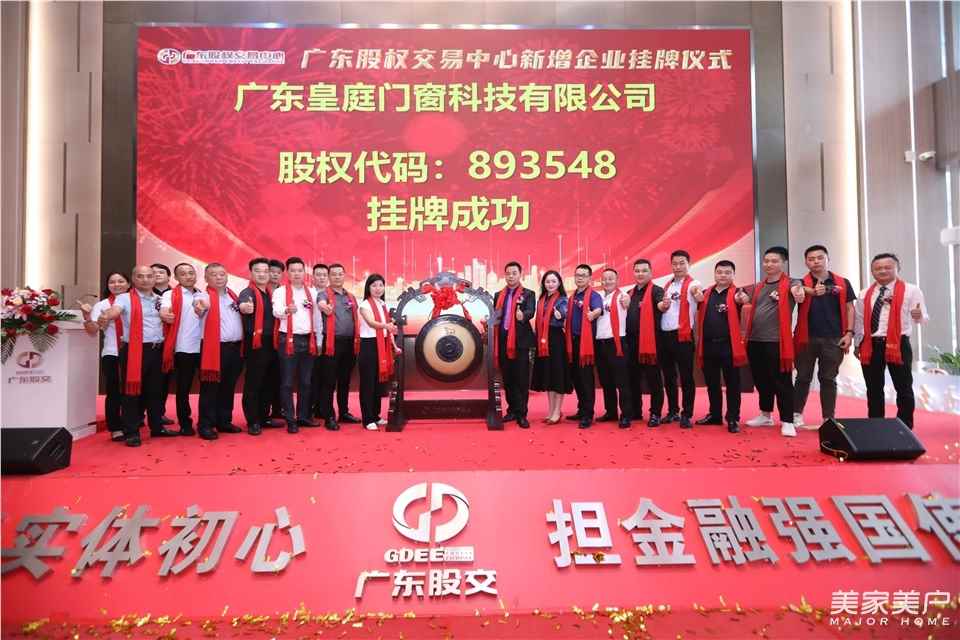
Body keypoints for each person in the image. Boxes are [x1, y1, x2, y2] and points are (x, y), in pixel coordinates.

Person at [96, 265, 179, 446]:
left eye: (149, 276)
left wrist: (170, 318)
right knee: (132, 392)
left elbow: (169, 317)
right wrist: (106, 315)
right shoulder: (124, 298)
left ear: (154, 279)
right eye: (140, 276)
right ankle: (132, 431)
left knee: (156, 391)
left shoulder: (160, 299)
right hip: (135, 350)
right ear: (133, 279)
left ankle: (157, 427)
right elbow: (115, 310)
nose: (145, 280)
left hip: (157, 350)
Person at [735, 246, 805, 437]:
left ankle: (788, 420)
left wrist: (798, 292)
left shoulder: (791, 282)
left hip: (777, 341)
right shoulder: (759, 286)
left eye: (774, 261)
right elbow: (743, 296)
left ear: (783, 263)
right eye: (766, 261)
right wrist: (740, 297)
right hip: (754, 340)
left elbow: (798, 290)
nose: (769, 264)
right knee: (761, 379)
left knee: (782, 382)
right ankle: (765, 414)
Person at [854, 253, 928, 430]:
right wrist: (857, 344)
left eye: (887, 267)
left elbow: (923, 317)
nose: (882, 271)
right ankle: (876, 426)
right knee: (873, 388)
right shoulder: (864, 293)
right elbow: (858, 321)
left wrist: (918, 315)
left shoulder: (911, 290)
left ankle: (904, 427)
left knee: (903, 387)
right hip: (871, 344)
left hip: (898, 343)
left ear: (897, 268)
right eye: (878, 268)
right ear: (872, 271)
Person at [793, 245, 857, 429]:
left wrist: (849, 333)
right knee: (802, 378)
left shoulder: (843, 282)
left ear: (828, 259)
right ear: (806, 262)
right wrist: (809, 290)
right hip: (806, 338)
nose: (815, 262)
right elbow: (795, 290)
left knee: (828, 379)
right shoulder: (800, 283)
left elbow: (849, 308)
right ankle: (796, 414)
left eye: (820, 258)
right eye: (811, 259)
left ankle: (828, 418)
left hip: (834, 338)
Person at [694, 260, 746, 433]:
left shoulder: (737, 293)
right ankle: (715, 415)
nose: (723, 275)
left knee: (733, 384)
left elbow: (743, 299)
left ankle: (733, 418)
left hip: (729, 346)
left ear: (733, 275)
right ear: (715, 274)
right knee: (712, 383)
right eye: (720, 272)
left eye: (727, 272)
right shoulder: (706, 293)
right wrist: (696, 298)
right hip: (708, 346)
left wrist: (740, 300)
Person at [194, 263, 244, 440]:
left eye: (222, 274)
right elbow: (199, 305)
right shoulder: (203, 296)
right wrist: (200, 307)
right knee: (210, 388)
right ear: (206, 278)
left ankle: (224, 421)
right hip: (214, 349)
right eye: (214, 274)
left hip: (235, 348)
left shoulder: (233, 296)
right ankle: (205, 425)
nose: (219, 277)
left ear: (227, 276)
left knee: (228, 386)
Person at [272, 257, 321, 433]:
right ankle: (290, 419)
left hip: (308, 340)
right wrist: (286, 310)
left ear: (304, 272)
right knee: (287, 382)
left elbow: (317, 318)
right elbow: (276, 311)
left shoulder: (312, 293)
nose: (297, 274)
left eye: (300, 270)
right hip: (288, 340)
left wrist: (319, 340)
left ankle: (303, 416)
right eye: (293, 270)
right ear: (288, 273)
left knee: (306, 382)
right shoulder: (280, 292)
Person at [80, 272, 130, 442]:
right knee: (114, 391)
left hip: (135, 352)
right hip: (112, 352)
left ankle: (132, 421)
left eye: (121, 281)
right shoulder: (102, 305)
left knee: (134, 390)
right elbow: (92, 330)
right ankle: (115, 427)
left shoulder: (136, 302)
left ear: (128, 284)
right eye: (112, 282)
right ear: (107, 286)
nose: (116, 285)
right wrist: (87, 317)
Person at [657, 250, 703, 428]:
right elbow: (663, 308)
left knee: (686, 377)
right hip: (665, 335)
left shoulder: (693, 283)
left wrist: (697, 295)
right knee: (669, 376)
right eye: (675, 263)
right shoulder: (667, 285)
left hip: (683, 336)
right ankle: (673, 411)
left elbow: (697, 293)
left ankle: (687, 414)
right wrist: (662, 306)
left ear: (688, 264)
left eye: (682, 263)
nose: (678, 267)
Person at [158, 263, 204, 436]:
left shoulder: (202, 294)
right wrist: (165, 315)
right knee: (183, 388)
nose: (188, 276)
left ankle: (207, 421)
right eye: (183, 274)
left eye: (191, 273)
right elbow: (164, 310)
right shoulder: (170, 295)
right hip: (184, 347)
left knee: (209, 387)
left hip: (205, 346)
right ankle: (185, 423)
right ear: (176, 278)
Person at [493, 261, 537, 428]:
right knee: (508, 379)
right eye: (508, 273)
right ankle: (511, 410)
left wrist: (523, 315)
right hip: (503, 342)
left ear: (520, 275)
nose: (511, 276)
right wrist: (488, 322)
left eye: (514, 273)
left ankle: (522, 414)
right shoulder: (498, 295)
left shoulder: (529, 294)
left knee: (521, 379)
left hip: (520, 343)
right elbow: (496, 315)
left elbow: (530, 311)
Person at [317, 263, 361, 430]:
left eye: (340, 274)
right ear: (329, 277)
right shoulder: (324, 294)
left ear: (344, 276)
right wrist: (324, 307)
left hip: (350, 343)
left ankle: (344, 412)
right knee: (329, 381)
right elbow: (321, 303)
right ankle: (329, 416)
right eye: (334, 274)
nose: (337, 277)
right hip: (332, 343)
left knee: (345, 380)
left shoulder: (351, 297)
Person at [239, 257, 279, 435]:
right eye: (257, 271)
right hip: (256, 343)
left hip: (272, 343)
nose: (262, 274)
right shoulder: (248, 292)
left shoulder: (271, 293)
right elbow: (243, 305)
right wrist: (245, 307)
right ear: (251, 273)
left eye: (265, 271)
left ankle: (264, 416)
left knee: (269, 381)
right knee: (254, 383)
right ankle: (253, 420)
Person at [625, 259, 665, 427]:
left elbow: (661, 305)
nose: (640, 274)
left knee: (653, 380)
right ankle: (636, 410)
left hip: (651, 344)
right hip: (631, 343)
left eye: (644, 271)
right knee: (633, 378)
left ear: (650, 272)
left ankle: (655, 413)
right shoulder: (629, 293)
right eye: (637, 271)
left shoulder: (657, 291)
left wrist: (664, 305)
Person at [357, 273, 399, 431]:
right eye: (374, 285)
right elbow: (371, 323)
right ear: (368, 288)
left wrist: (394, 344)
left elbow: (387, 329)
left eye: (381, 285)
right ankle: (367, 419)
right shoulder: (365, 305)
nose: (378, 288)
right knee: (368, 383)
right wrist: (387, 325)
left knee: (378, 382)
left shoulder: (382, 304)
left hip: (382, 344)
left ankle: (375, 415)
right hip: (369, 346)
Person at [565, 264, 604, 428]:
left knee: (586, 378)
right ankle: (581, 409)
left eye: (583, 275)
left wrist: (593, 313)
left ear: (590, 278)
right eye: (577, 275)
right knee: (576, 377)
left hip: (586, 343)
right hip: (572, 342)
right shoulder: (572, 297)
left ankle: (588, 414)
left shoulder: (594, 295)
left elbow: (598, 309)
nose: (580, 278)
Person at [530, 270, 572, 424]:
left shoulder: (562, 300)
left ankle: (557, 411)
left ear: (559, 283)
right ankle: (551, 411)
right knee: (549, 377)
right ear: (543, 284)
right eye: (547, 282)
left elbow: (563, 313)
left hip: (556, 341)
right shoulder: (541, 300)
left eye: (554, 281)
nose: (550, 284)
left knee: (557, 377)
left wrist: (560, 315)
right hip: (543, 341)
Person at [594, 268, 633, 428]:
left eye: (611, 278)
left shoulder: (622, 296)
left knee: (622, 381)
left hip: (616, 343)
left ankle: (626, 414)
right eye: (604, 279)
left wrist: (628, 302)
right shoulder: (598, 297)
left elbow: (627, 304)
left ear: (617, 280)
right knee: (606, 381)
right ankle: (611, 412)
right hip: (600, 343)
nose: (607, 281)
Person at [150, 262, 175, 425]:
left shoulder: (177, 294)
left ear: (169, 276)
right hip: (150, 342)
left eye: (161, 272)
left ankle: (159, 413)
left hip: (170, 343)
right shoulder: (144, 294)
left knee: (164, 381)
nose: (157, 274)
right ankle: (139, 414)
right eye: (153, 273)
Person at [265, 259, 286, 422]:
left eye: (278, 273)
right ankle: (263, 412)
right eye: (271, 272)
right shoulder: (260, 291)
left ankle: (278, 409)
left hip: (282, 338)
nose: (274, 275)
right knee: (266, 376)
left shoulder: (285, 292)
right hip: (264, 340)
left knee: (280, 376)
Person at [311, 262, 331, 419]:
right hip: (312, 340)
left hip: (329, 341)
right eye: (318, 275)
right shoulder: (308, 294)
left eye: (324, 275)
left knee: (326, 377)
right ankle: (310, 409)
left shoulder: (332, 295)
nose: (322, 278)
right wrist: (317, 341)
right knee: (312, 377)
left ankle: (323, 409)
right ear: (313, 277)